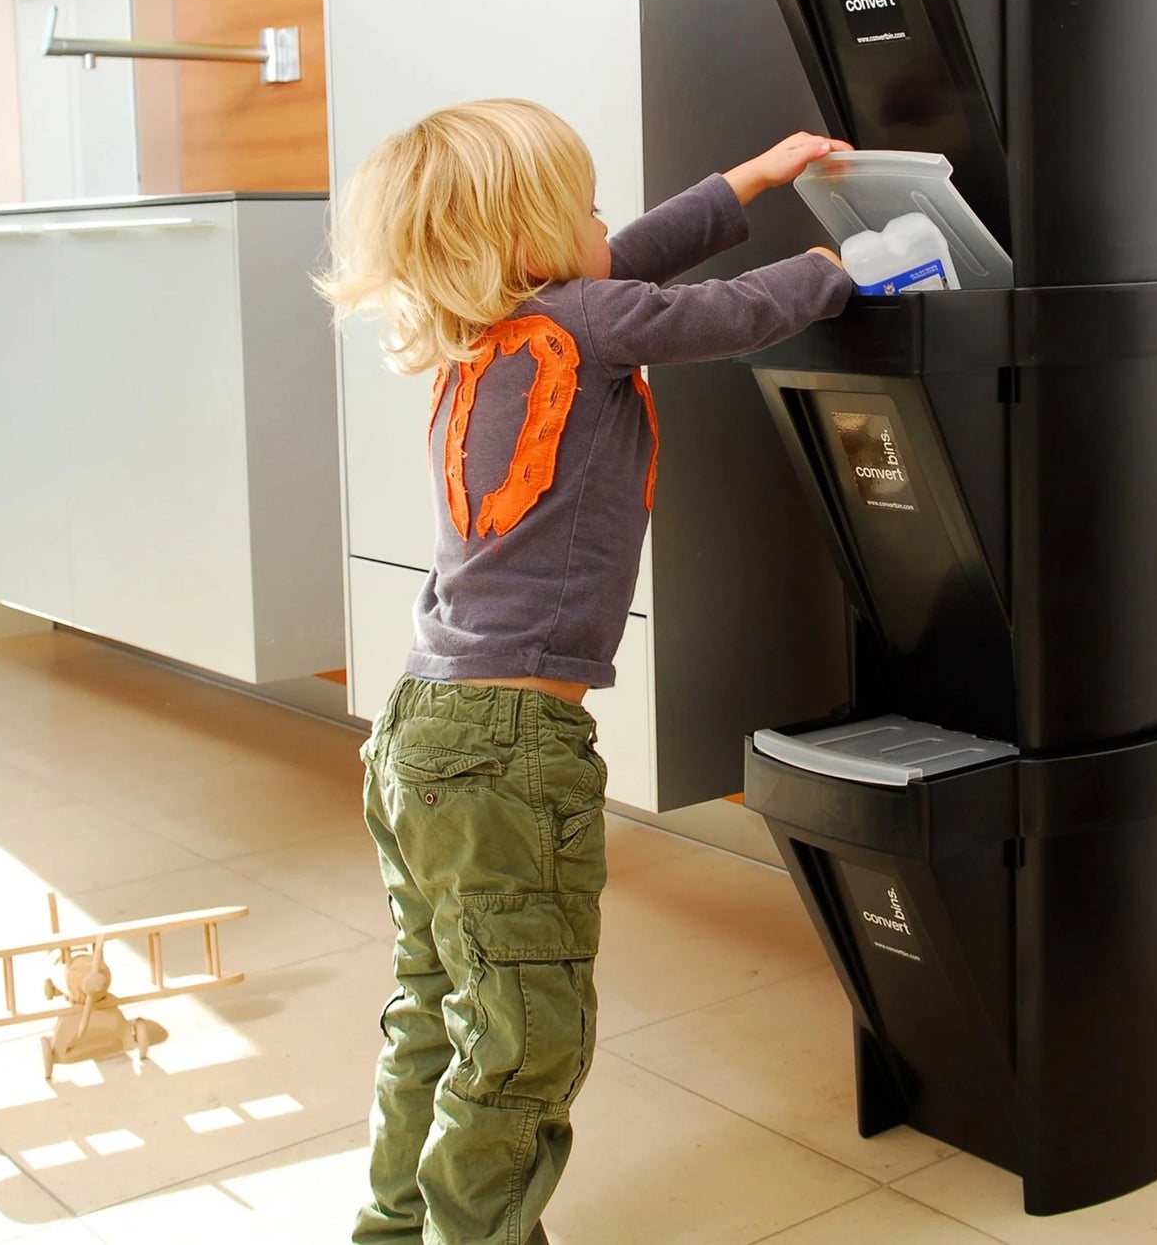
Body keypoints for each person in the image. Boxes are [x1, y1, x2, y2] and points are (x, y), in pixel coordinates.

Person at [317, 97, 853, 1244]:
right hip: (506, 754)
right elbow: (728, 311)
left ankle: (396, 1225)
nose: (608, 225)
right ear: (527, 243)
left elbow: (632, 258)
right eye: (587, 208)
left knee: (436, 1005)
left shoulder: (494, 328)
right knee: (524, 1037)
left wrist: (755, 176)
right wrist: (838, 268)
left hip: (419, 729)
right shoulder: (592, 320)